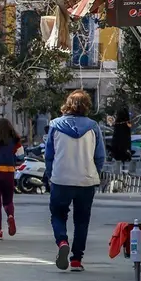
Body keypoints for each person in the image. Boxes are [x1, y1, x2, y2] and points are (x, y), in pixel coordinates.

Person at [45, 90, 105, 271]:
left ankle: (62, 241)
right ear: (87, 105)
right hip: (86, 180)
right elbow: (100, 156)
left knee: (57, 214)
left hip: (61, 179)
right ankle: (77, 259)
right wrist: (94, 173)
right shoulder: (93, 127)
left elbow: (49, 155)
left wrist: (51, 175)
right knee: (82, 220)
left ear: (68, 104)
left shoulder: (55, 125)